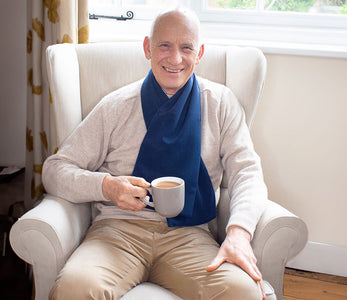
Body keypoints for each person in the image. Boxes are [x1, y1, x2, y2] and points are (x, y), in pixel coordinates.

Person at [43, 6, 268, 300]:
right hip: (118, 231)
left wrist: (240, 232)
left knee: (243, 293)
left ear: (199, 53)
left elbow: (247, 173)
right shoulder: (116, 106)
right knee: (74, 288)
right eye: (165, 45)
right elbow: (55, 170)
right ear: (148, 48)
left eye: (186, 47)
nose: (175, 59)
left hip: (190, 237)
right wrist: (106, 186)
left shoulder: (221, 104)